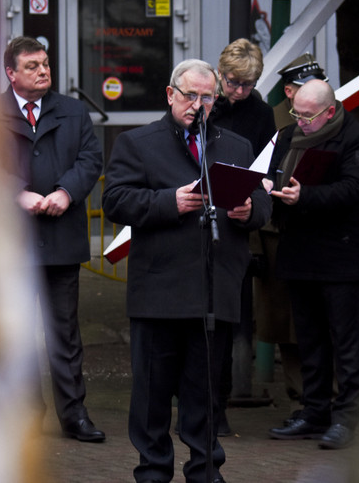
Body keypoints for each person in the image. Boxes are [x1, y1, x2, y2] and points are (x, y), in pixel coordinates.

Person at [102, 59, 271, 483]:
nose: (198, 104)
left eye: (207, 97)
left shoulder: (235, 146)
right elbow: (116, 202)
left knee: (206, 394)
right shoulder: (137, 143)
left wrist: (250, 209)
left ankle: (205, 470)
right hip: (159, 292)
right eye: (190, 95)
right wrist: (168, 202)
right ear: (170, 94)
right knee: (151, 396)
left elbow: (262, 203)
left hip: (214, 291)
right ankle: (154, 471)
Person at [0, 36, 105, 442]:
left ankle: (74, 416)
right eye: (32, 66)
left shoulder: (73, 111)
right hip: (13, 244)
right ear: (11, 72)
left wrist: (65, 192)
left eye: (45, 64)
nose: (43, 71)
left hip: (61, 238)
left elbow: (90, 159)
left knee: (65, 335)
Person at [266, 79, 359, 450]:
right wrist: (268, 189)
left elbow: (351, 190)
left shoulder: (356, 139)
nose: (300, 122)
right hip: (297, 250)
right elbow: (270, 173)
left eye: (308, 116)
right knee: (308, 338)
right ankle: (313, 412)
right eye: (296, 112)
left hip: (338, 254)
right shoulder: (286, 135)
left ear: (330, 111)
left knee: (345, 341)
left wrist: (305, 196)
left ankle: (346, 418)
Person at [208, 38, 276, 434]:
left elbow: (265, 167)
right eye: (232, 82)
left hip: (236, 217)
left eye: (247, 85)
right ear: (221, 75)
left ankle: (220, 406)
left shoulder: (261, 113)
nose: (238, 91)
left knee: (231, 318)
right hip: (198, 208)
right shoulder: (205, 104)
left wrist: (255, 199)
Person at [258, 53, 330, 420]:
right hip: (278, 234)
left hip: (322, 232)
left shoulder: (333, 120)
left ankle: (320, 397)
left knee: (323, 318)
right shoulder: (272, 125)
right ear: (288, 91)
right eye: (304, 88)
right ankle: (301, 397)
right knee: (286, 321)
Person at [272, 53, 329, 130]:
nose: (317, 94)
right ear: (289, 92)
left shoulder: (331, 113)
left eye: (320, 86)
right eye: (308, 89)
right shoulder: (273, 122)